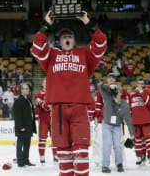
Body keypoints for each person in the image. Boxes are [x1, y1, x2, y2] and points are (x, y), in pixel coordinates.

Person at [31, 10, 107, 176]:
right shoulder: (51, 55)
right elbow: (36, 48)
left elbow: (101, 43)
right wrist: (46, 25)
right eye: (63, 37)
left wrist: (87, 21)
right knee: (63, 152)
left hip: (80, 108)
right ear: (59, 41)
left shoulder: (85, 54)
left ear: (74, 40)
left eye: (69, 37)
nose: (66, 38)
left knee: (80, 151)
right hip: (57, 109)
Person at [98, 82, 134, 173]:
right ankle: (105, 166)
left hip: (117, 127)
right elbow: (99, 86)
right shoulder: (107, 97)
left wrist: (132, 134)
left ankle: (119, 164)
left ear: (120, 94)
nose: (114, 96)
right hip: (106, 125)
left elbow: (129, 120)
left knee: (118, 145)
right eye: (113, 94)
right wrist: (108, 86)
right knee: (107, 144)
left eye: (116, 94)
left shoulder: (125, 105)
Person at [128, 78, 150, 165]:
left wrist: (141, 92)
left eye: (142, 83)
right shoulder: (131, 93)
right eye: (139, 83)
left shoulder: (148, 92)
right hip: (135, 121)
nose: (140, 85)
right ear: (136, 83)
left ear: (144, 84)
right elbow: (130, 107)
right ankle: (139, 157)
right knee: (138, 140)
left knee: (149, 140)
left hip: (146, 120)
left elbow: (149, 104)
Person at [35, 79, 58, 164]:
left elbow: (56, 105)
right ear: (42, 84)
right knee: (42, 139)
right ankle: (42, 156)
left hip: (53, 119)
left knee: (55, 139)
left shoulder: (53, 93)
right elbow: (43, 105)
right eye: (45, 83)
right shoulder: (38, 94)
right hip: (43, 119)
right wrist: (48, 106)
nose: (46, 84)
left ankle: (55, 155)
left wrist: (51, 106)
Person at [13, 83, 36, 167]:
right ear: (21, 90)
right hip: (22, 126)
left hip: (28, 125)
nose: (26, 90)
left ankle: (26, 160)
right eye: (24, 89)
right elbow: (17, 116)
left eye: (27, 89)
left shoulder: (28, 99)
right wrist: (21, 126)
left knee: (27, 144)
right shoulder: (18, 101)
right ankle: (20, 161)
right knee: (20, 144)